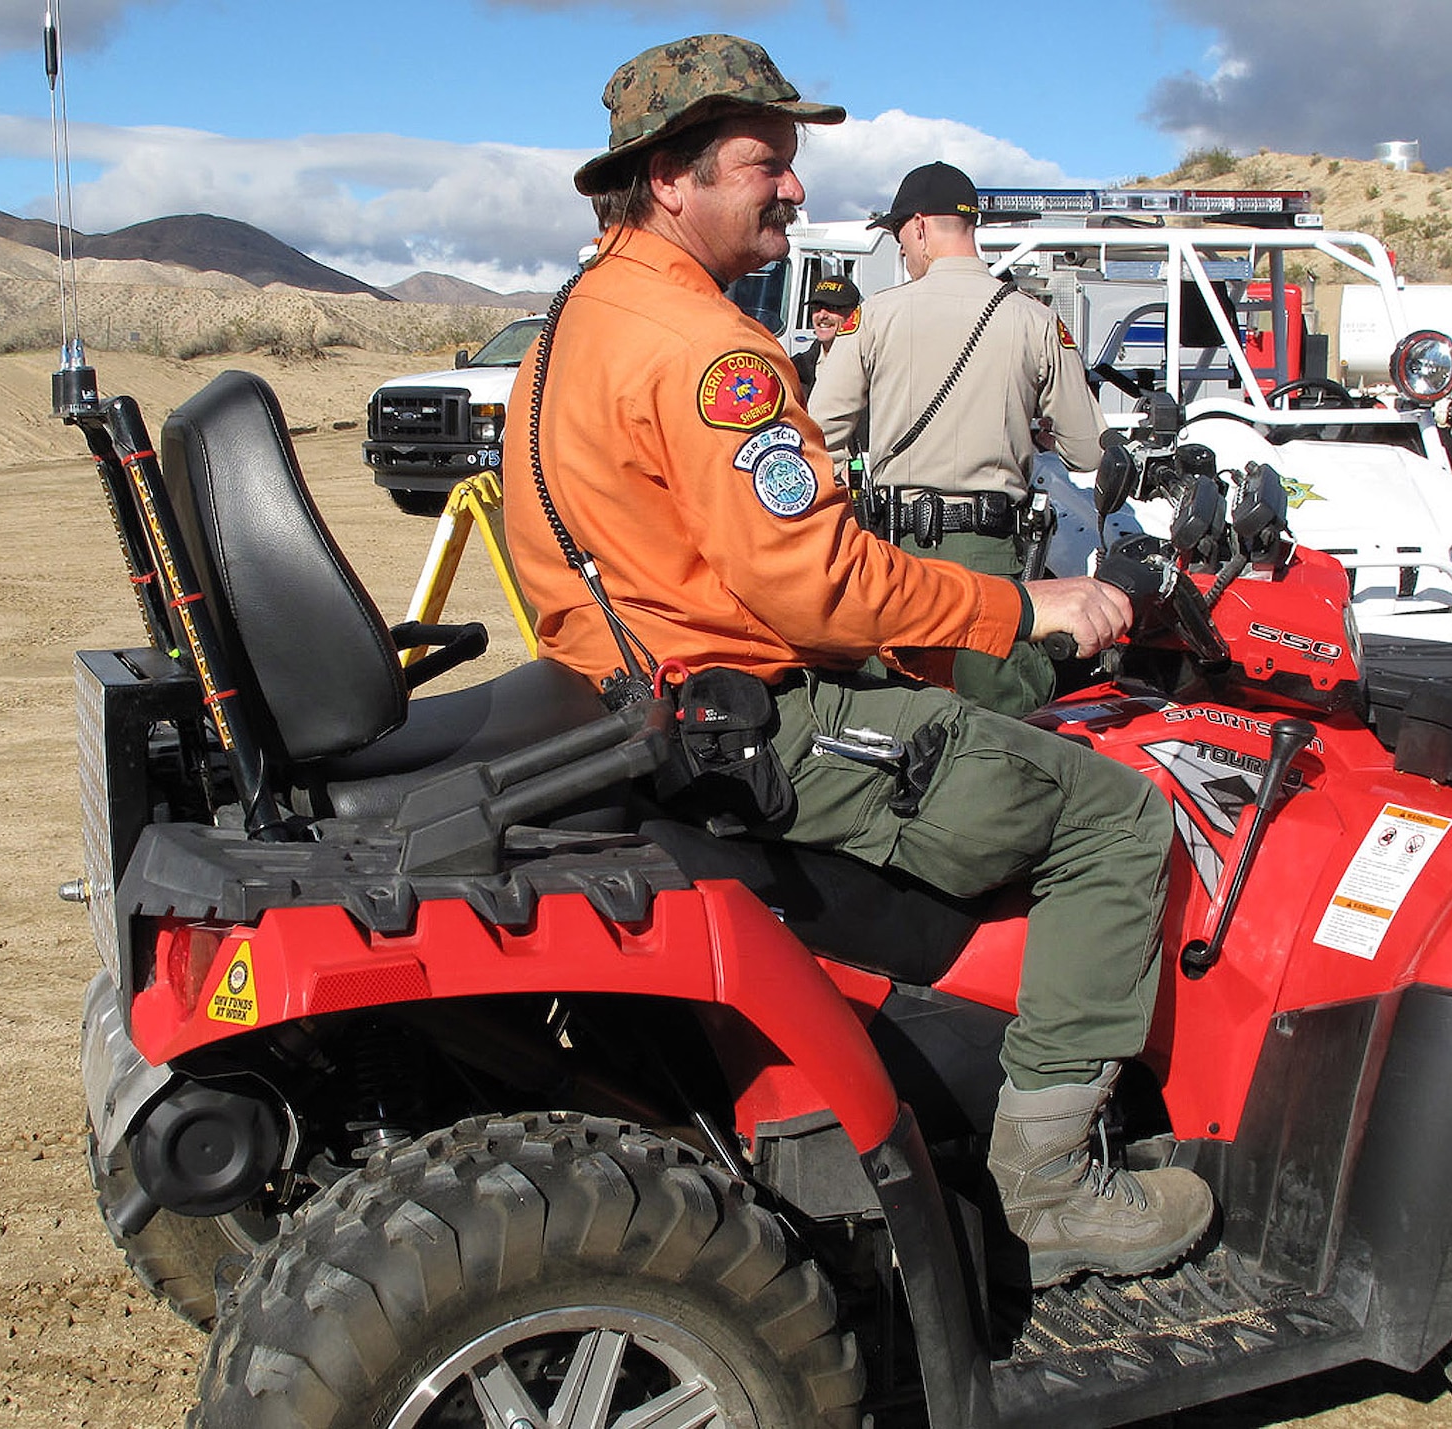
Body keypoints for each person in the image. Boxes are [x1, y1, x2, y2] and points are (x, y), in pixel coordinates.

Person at [500, 32, 1210, 1289]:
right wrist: (1022, 607)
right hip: (756, 719)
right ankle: (1051, 1185)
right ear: (670, 178)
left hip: (636, 696)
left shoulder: (573, 322)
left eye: (787, 163)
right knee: (1111, 814)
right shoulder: (708, 349)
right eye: (761, 164)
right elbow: (814, 585)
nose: (791, 187)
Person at [810, 161, 1107, 717]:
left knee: (890, 722)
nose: (904, 254)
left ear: (919, 226)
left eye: (901, 240)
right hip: (990, 559)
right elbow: (1087, 450)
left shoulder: (874, 316)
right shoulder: (1035, 319)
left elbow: (819, 433)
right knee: (1004, 731)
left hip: (894, 560)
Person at [790, 274, 861, 397]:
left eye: (832, 308)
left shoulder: (867, 365)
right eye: (816, 308)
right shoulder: (796, 368)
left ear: (853, 314)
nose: (822, 315)